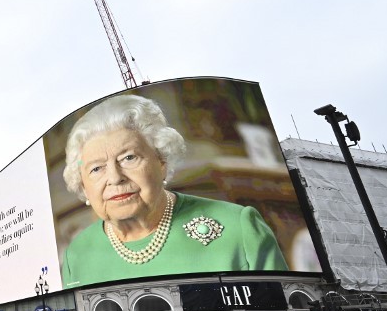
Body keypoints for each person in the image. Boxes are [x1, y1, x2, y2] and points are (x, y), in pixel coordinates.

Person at [59, 95, 288, 289]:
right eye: (96, 168)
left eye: (129, 158)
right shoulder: (76, 256)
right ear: (83, 185)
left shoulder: (239, 226)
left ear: (161, 161)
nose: (115, 178)